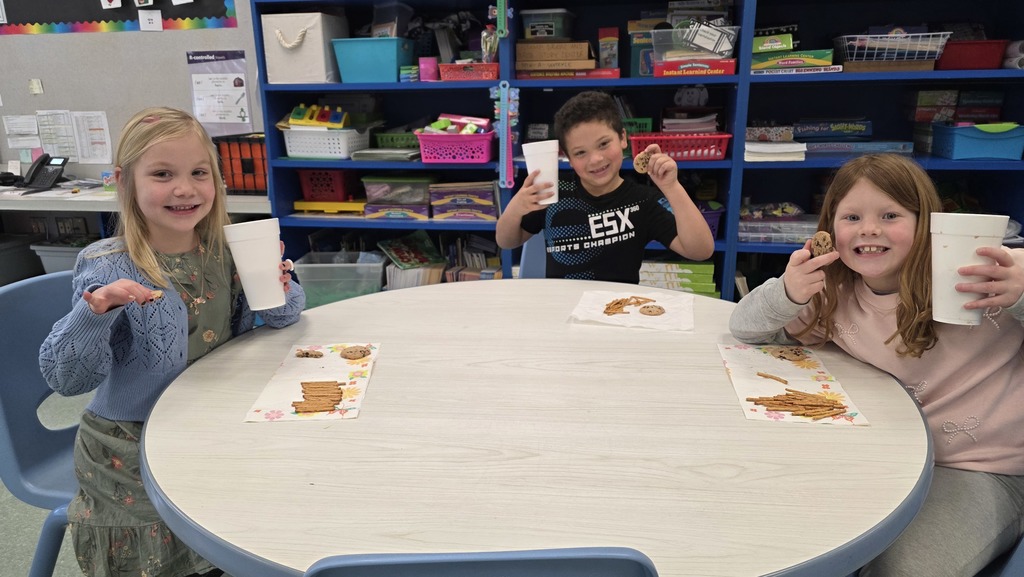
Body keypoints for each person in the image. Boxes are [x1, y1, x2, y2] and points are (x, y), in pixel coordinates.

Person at [39, 107, 305, 577]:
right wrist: (94, 313)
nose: (185, 189)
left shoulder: (225, 251)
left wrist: (279, 282)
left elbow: (284, 317)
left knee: (256, 516)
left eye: (199, 173)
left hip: (210, 424)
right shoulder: (106, 265)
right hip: (129, 447)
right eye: (163, 174)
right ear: (124, 182)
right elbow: (67, 379)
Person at [728, 153, 1024, 576]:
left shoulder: (986, 276)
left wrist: (1020, 291)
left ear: (927, 224)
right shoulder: (833, 291)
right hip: (887, 456)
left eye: (889, 215)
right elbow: (745, 328)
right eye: (852, 217)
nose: (868, 229)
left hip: (980, 468)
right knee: (781, 526)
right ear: (830, 230)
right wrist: (788, 292)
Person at [495, 90, 715, 283]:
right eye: (580, 152)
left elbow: (701, 250)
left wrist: (672, 187)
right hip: (563, 308)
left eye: (603, 144)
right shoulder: (553, 192)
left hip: (618, 310)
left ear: (622, 138)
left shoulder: (643, 201)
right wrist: (516, 207)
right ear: (569, 158)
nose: (596, 159)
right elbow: (506, 241)